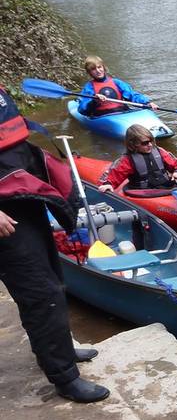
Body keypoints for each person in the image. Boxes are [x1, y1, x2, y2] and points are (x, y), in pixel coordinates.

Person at [0, 85, 109, 403]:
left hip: (24, 196)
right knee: (40, 292)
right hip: (5, 216)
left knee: (53, 280)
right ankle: (65, 378)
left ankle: (58, 348)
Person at [97, 125, 177, 194]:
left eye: (151, 141)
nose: (150, 145)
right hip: (143, 192)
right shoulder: (127, 160)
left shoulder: (160, 151)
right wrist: (108, 184)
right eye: (145, 143)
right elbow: (114, 175)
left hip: (166, 187)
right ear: (133, 144)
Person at [78, 55, 157, 117]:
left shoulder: (117, 83)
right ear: (89, 72)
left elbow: (132, 95)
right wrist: (94, 100)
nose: (98, 71)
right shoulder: (89, 87)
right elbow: (82, 110)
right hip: (102, 116)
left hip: (122, 112)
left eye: (99, 67)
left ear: (104, 68)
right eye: (93, 69)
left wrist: (147, 103)